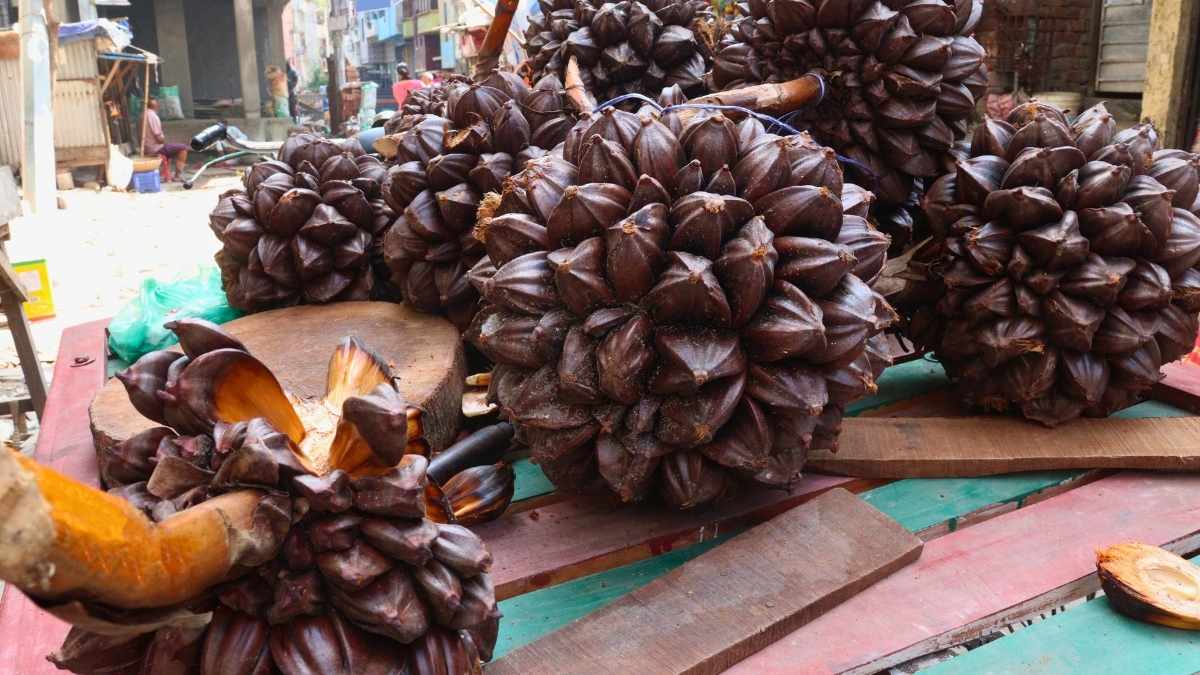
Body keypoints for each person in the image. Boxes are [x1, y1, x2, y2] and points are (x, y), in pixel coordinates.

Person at [142, 99, 188, 182]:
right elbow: (159, 139)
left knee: (171, 147)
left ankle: (166, 173)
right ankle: (177, 175)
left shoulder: (142, 116)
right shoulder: (152, 116)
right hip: (155, 148)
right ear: (156, 106)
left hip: (146, 147)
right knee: (183, 148)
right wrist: (164, 140)